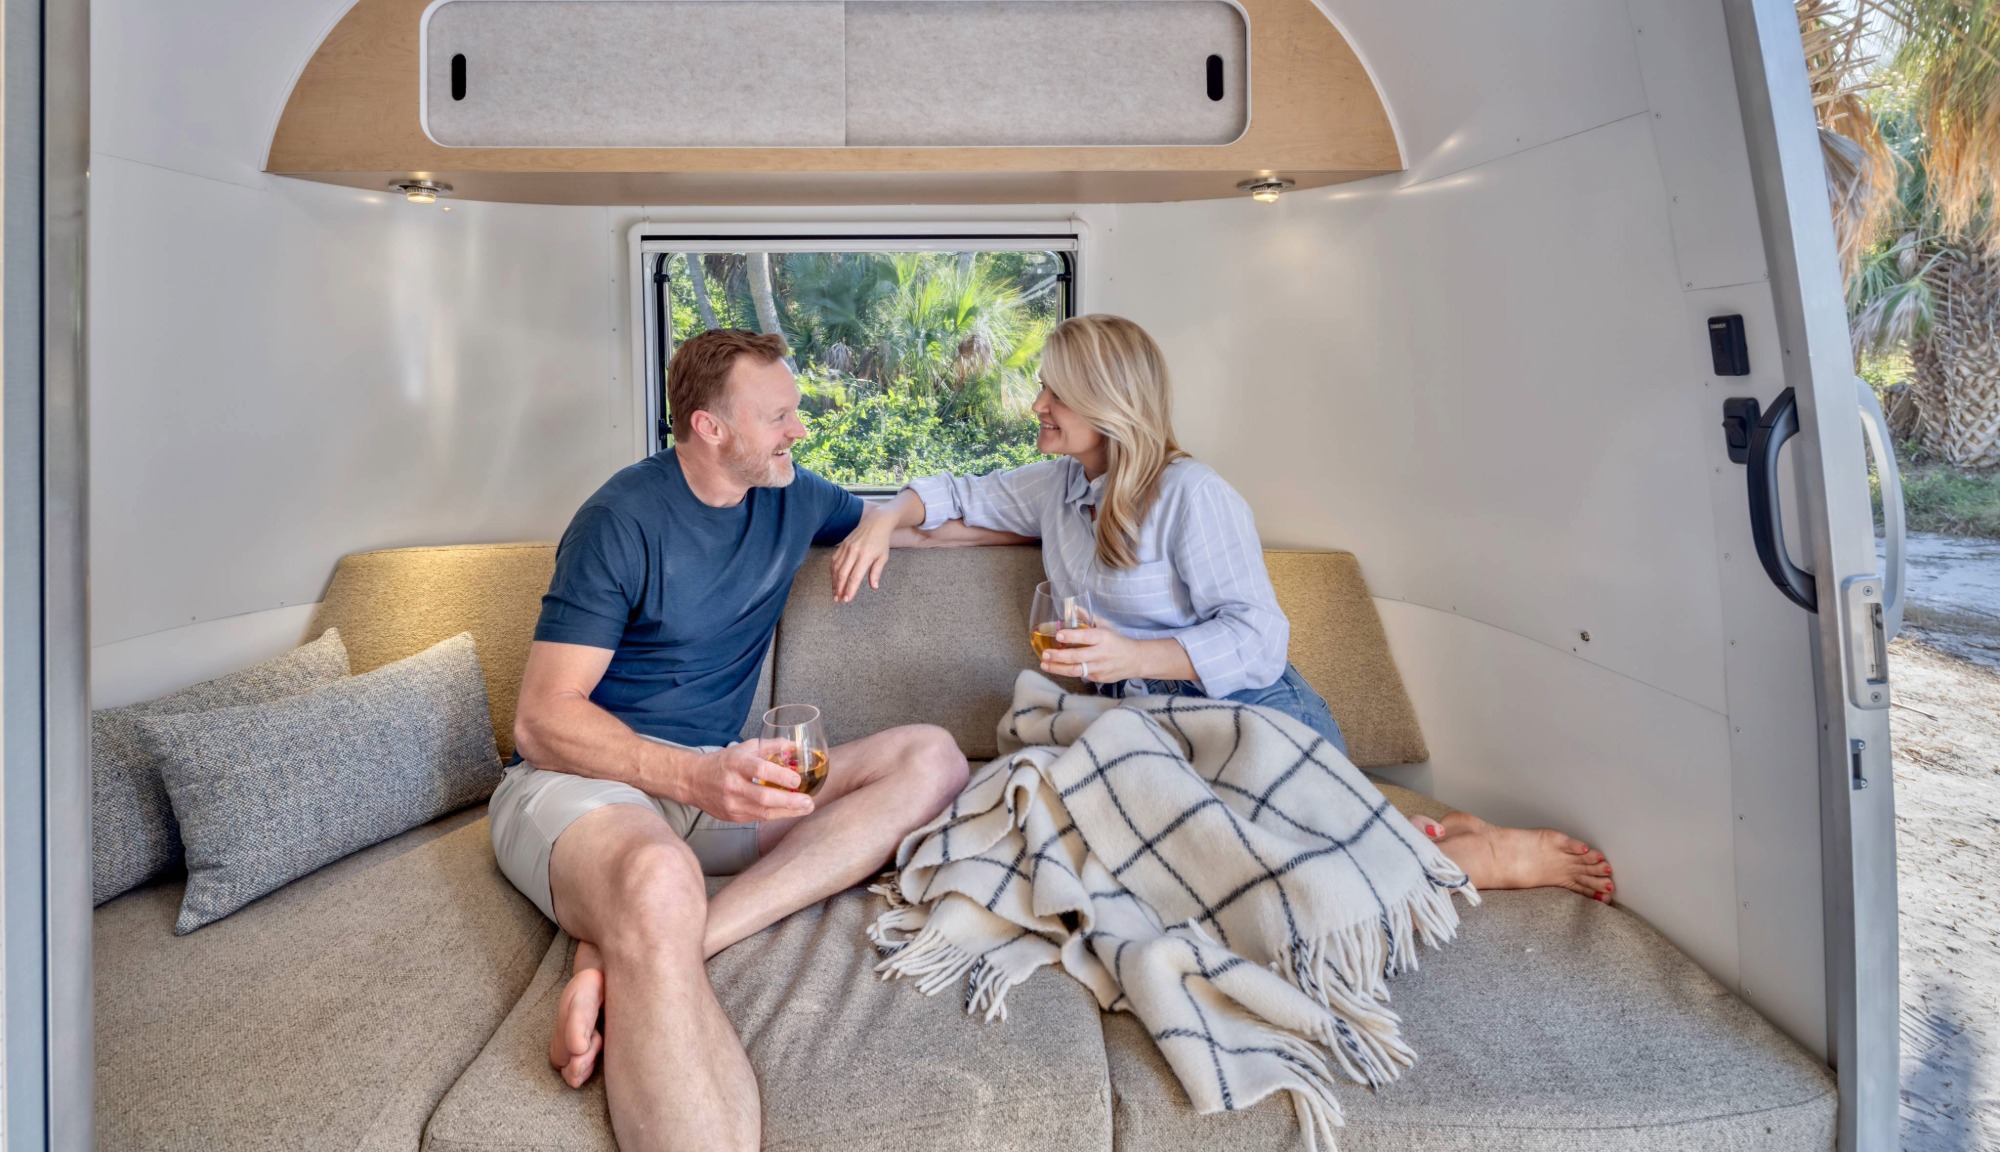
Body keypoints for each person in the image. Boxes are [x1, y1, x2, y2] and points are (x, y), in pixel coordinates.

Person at [832, 313, 1614, 902]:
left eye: (1053, 390)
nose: (1036, 402)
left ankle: (1478, 856)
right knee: (1167, 870)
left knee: (1287, 887)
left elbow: (1259, 638)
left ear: (1106, 401)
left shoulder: (1193, 497)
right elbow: (953, 496)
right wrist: (882, 520)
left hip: (1250, 712)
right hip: (1148, 727)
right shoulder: (1060, 486)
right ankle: (1422, 836)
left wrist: (1129, 658)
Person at [495, 328, 969, 1152]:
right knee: (655, 874)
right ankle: (648, 923)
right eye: (780, 414)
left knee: (933, 756)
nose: (800, 430)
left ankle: (624, 958)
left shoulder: (792, 495)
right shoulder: (619, 519)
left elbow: (932, 530)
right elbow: (541, 719)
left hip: (716, 785)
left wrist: (893, 520)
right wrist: (692, 776)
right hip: (582, 787)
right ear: (711, 428)